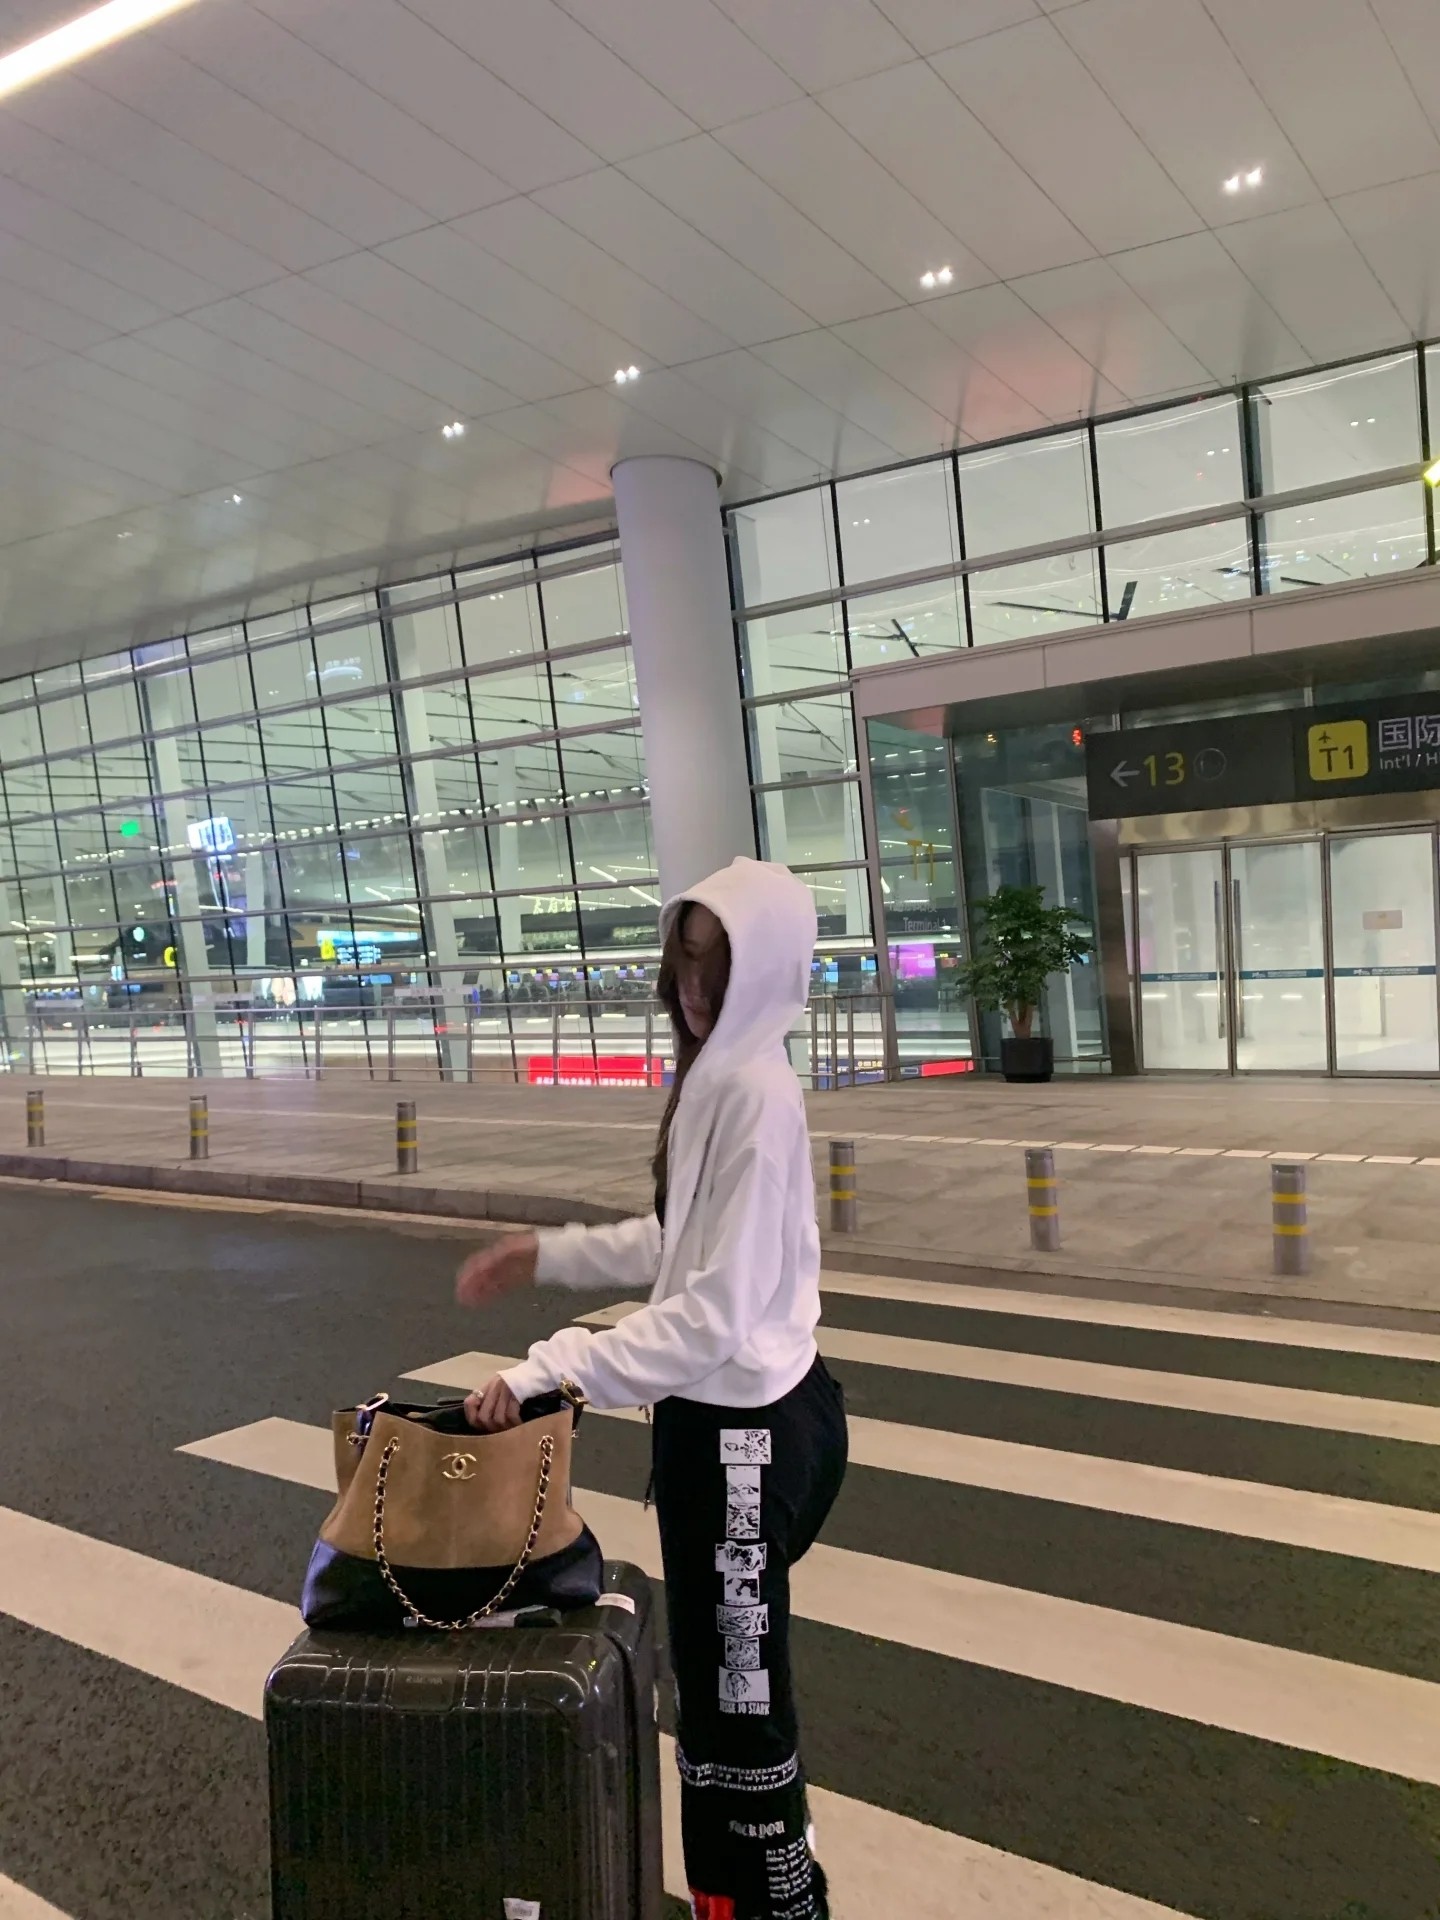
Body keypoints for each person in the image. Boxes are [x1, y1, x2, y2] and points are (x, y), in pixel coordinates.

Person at [456, 856, 847, 1920]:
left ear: (767, 967)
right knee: (723, 1700)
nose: (696, 989)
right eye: (685, 963)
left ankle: (773, 1904)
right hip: (732, 1428)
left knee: (738, 1713)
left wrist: (552, 1368)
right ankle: (747, 1895)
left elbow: (713, 1313)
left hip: (745, 1441)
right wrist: (546, 1254)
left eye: (720, 964)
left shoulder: (752, 1095)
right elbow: (679, 1244)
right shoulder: (727, 1076)